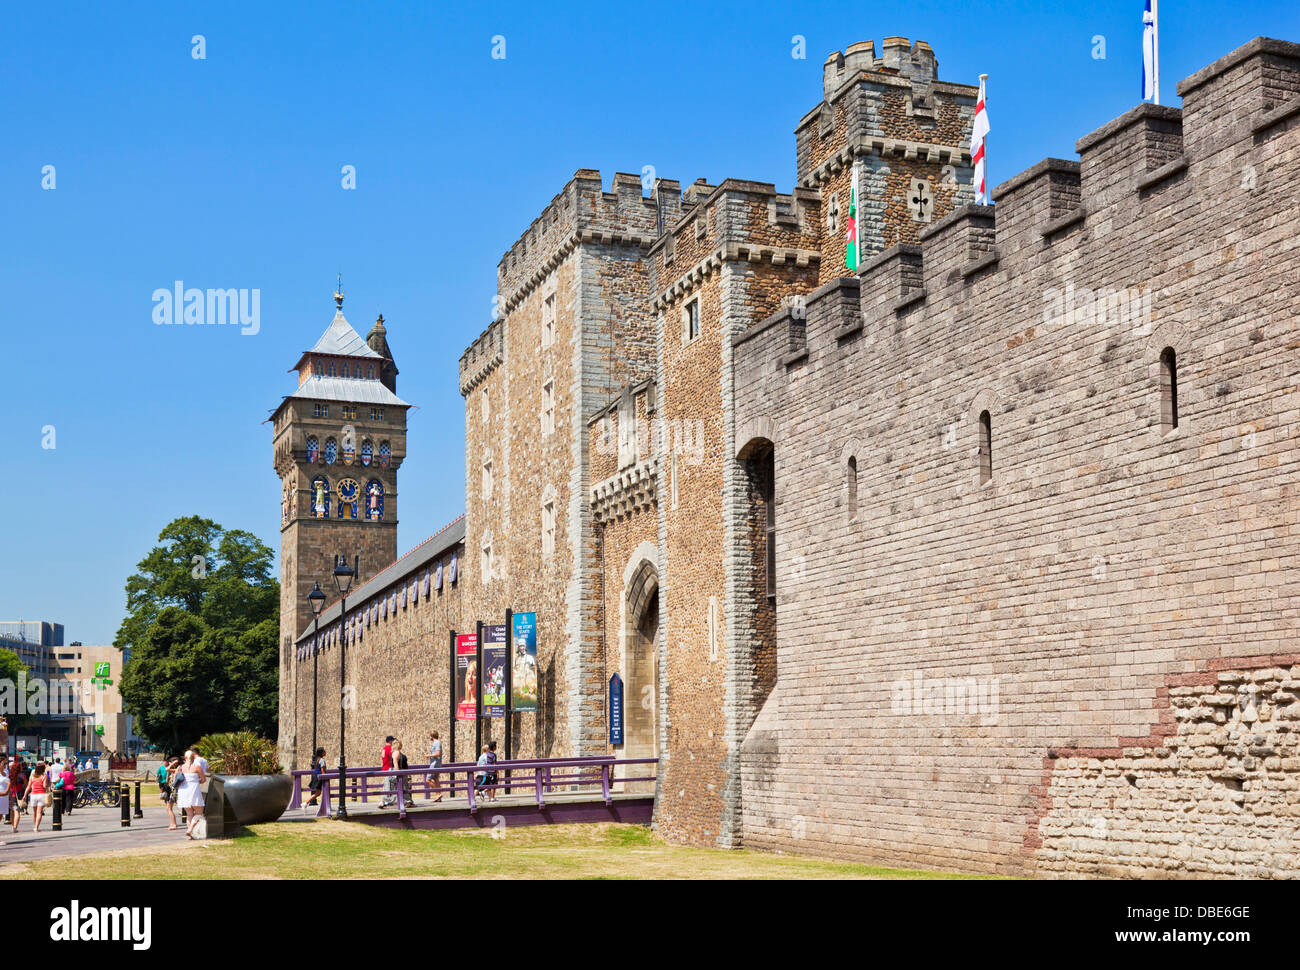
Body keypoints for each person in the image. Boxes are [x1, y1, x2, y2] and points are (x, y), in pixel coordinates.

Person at [175, 750, 206, 839]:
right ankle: (190, 830)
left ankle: (190, 835)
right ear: (193, 758)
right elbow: (203, 780)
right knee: (199, 813)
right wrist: (196, 781)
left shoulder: (180, 768)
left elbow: (175, 780)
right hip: (194, 790)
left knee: (189, 814)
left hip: (183, 791)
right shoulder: (197, 767)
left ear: (184, 758)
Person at [22, 762, 50, 832]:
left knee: (35, 813)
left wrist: (24, 795)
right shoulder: (44, 776)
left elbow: (28, 786)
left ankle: (35, 825)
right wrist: (47, 784)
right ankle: (36, 827)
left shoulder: (32, 776)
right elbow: (44, 786)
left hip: (33, 795)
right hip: (41, 795)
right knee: (39, 812)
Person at [157, 756, 180, 830]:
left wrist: (173, 763)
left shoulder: (177, 769)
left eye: (170, 762)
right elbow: (167, 781)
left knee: (169, 808)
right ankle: (172, 823)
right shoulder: (172, 771)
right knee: (168, 808)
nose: (169, 763)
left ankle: (174, 824)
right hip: (170, 790)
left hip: (173, 792)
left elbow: (167, 769)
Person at [392, 740, 413, 808]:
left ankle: (405, 801)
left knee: (397, 788)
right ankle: (406, 801)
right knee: (403, 787)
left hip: (402, 772)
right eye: (401, 744)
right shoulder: (397, 752)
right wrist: (398, 773)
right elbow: (395, 762)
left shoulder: (395, 752)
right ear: (399, 745)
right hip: (401, 772)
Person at [8, 758, 26, 832]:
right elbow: (27, 785)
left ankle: (13, 825)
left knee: (13, 811)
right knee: (17, 811)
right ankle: (15, 827)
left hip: (11, 795)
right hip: (19, 794)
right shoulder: (22, 775)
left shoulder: (10, 775)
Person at [380, 735, 397, 808]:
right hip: (388, 768)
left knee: (387, 785)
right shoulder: (390, 749)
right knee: (389, 786)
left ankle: (384, 801)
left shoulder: (383, 749)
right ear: (390, 741)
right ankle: (386, 801)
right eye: (392, 740)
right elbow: (393, 758)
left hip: (384, 768)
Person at [427, 732, 443, 802]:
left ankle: (438, 794)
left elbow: (438, 753)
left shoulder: (437, 743)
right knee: (436, 779)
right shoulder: (436, 743)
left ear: (432, 736)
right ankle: (438, 795)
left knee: (428, 780)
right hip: (436, 763)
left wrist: (429, 755)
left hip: (435, 764)